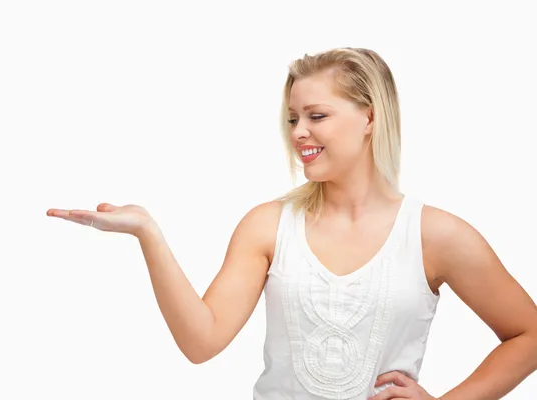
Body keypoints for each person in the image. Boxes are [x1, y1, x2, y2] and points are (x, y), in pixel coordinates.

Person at [46, 47, 537, 399]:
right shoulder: (267, 226)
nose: (299, 132)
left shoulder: (437, 235)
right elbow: (201, 342)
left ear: (370, 117)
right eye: (292, 118)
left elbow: (528, 335)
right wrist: (148, 233)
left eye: (317, 115)